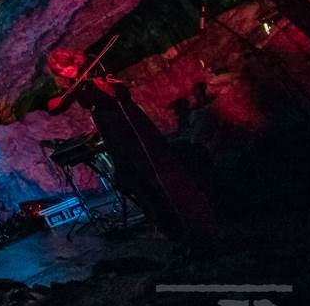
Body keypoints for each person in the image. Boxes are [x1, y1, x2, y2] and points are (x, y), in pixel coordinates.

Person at [45, 48, 215, 241]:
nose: (65, 72)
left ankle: (196, 228)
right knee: (129, 181)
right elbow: (55, 107)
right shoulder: (76, 84)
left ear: (74, 61)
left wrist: (107, 88)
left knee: (157, 175)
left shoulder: (94, 67)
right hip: (111, 132)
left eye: (66, 67)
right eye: (60, 71)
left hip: (128, 125)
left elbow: (120, 94)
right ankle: (170, 230)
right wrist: (60, 99)